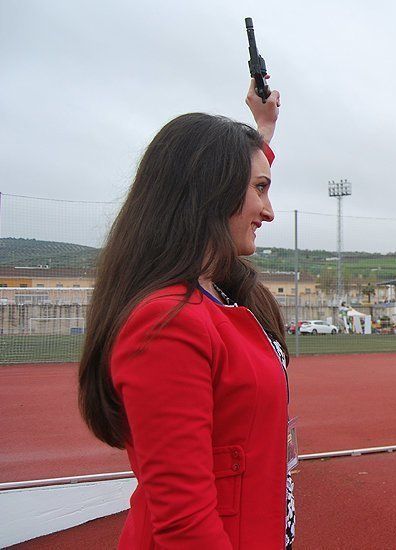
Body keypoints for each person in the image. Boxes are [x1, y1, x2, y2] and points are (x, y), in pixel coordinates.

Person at [78, 79, 296, 549]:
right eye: (260, 189)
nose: (269, 210)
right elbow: (186, 525)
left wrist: (261, 130)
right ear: (211, 193)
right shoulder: (168, 324)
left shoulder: (213, 293)